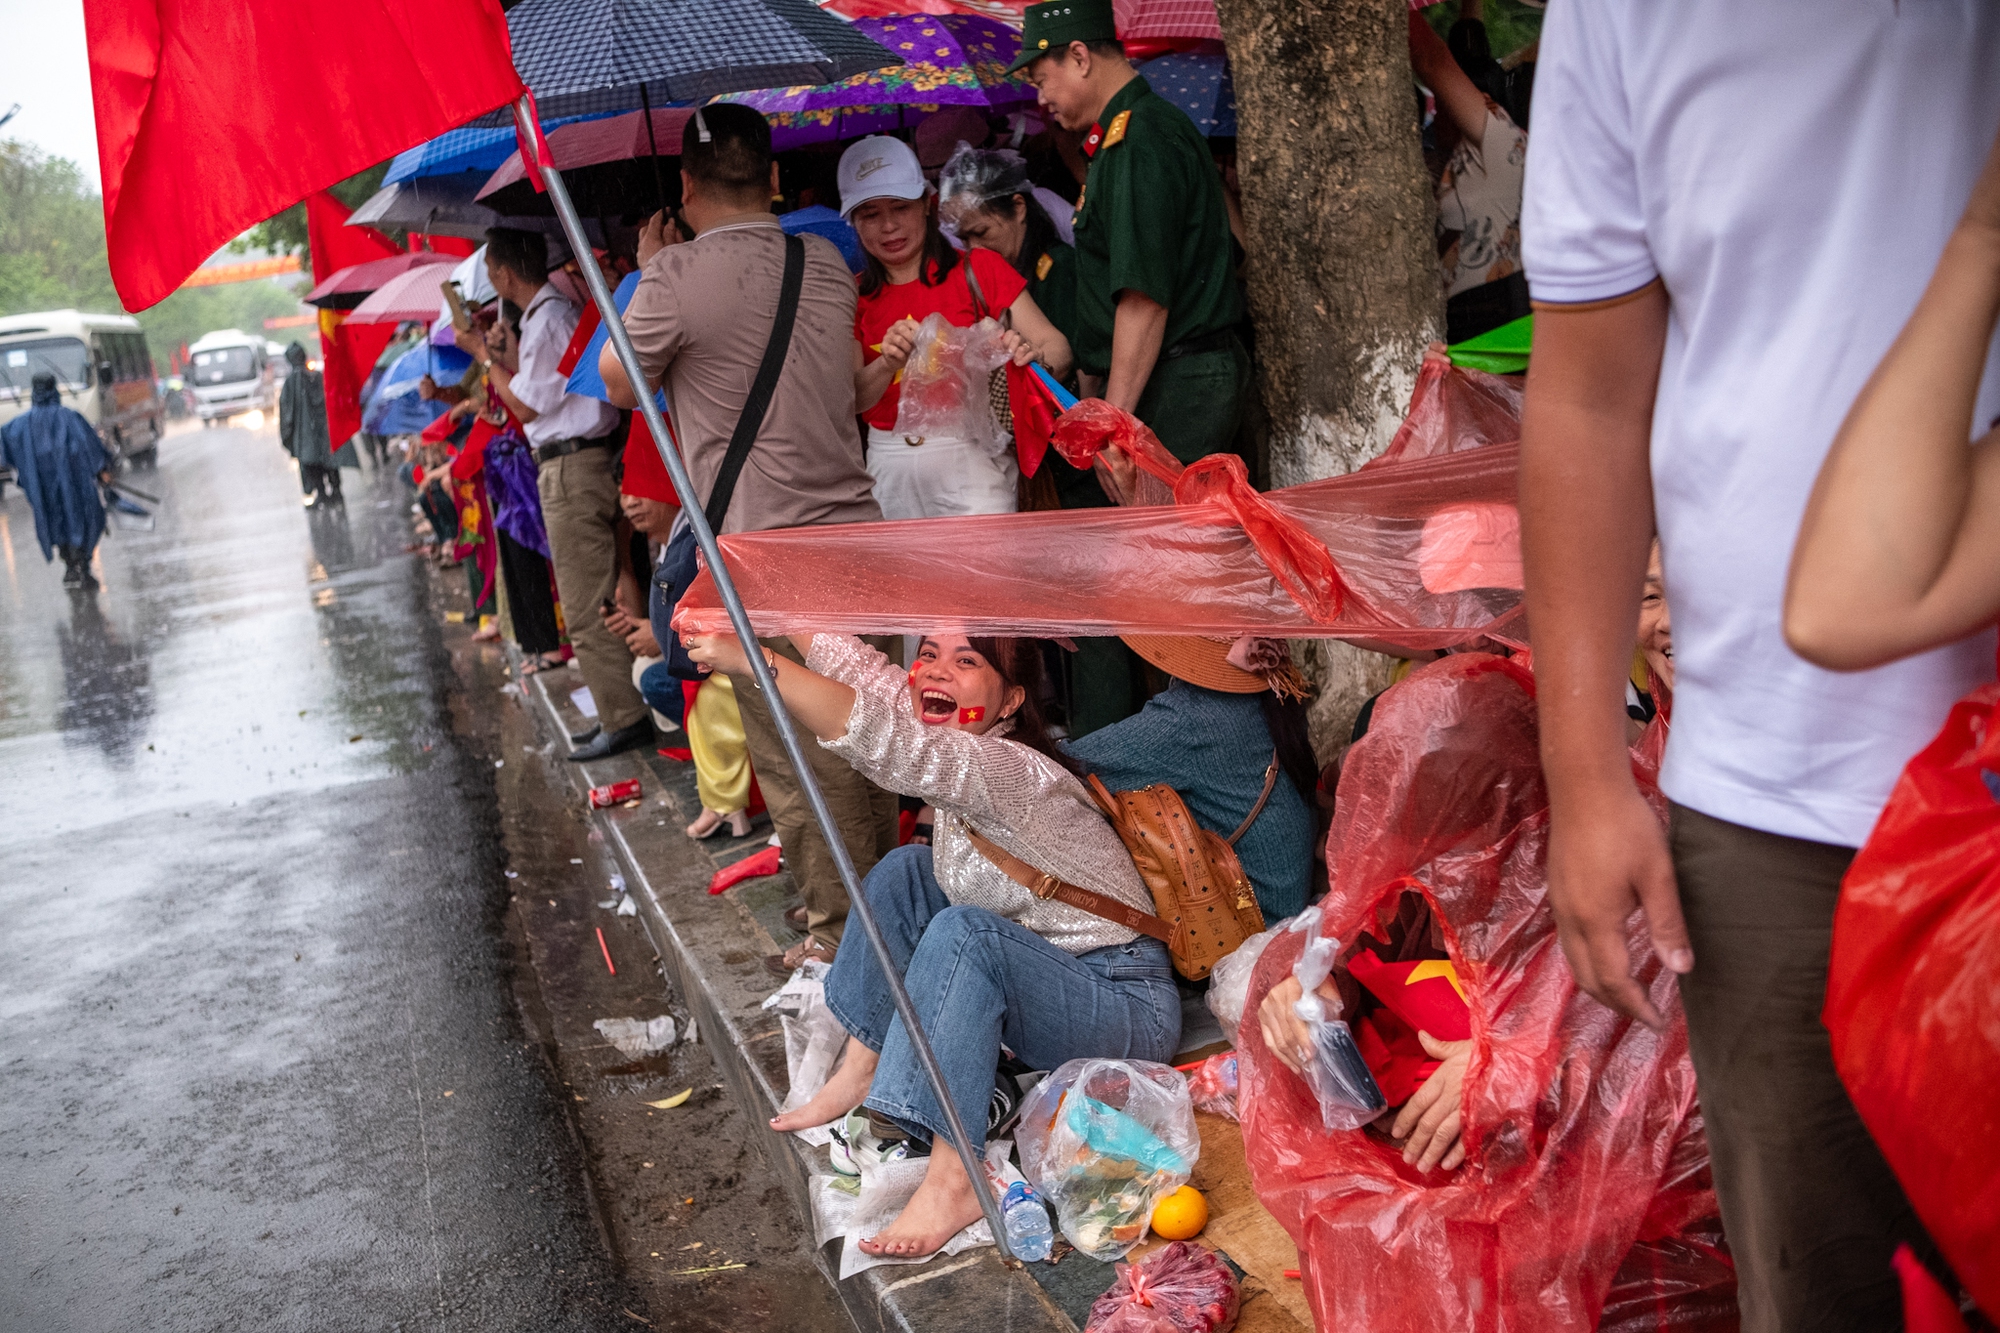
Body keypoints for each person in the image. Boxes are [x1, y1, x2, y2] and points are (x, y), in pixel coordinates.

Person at [1517, 7, 2000, 1329]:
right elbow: (1587, 394)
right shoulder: (1621, 17)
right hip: (1780, 802)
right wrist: (1584, 773)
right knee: (1822, 1283)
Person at [683, 627, 1178, 1259]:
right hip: (1053, 970)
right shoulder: (956, 732)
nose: (935, 673)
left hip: (1124, 1003)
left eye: (966, 662)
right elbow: (867, 677)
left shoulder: (1006, 766)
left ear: (1010, 702)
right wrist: (780, 612)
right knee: (906, 871)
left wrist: (756, 661)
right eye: (926, 655)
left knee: (964, 932)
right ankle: (862, 1066)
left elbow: (886, 742)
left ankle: (956, 1178)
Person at [602, 103, 900, 974]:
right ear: (772, 179)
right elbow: (847, 393)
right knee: (873, 742)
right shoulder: (828, 264)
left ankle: (848, 944)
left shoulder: (674, 275)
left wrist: (654, 270)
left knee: (807, 764)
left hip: (770, 561)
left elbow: (620, 383)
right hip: (864, 542)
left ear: (685, 188)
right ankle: (888, 918)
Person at [1012, 0, 1246, 470]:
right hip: (1168, 375)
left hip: (1180, 380)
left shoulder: (1139, 139)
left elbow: (1144, 296)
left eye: (1041, 81)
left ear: (1079, 57)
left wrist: (1113, 425)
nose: (1041, 100)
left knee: (1170, 538)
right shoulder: (1122, 137)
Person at [842, 134, 1073, 520]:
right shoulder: (850, 295)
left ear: (927, 205)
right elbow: (852, 399)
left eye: (900, 207)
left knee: (988, 580)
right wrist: (886, 364)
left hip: (976, 460)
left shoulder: (979, 268)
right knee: (901, 582)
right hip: (888, 469)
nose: (888, 226)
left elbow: (1058, 348)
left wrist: (1026, 358)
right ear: (854, 221)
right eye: (870, 214)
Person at [484, 226, 650, 762]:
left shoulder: (550, 316)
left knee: (585, 601)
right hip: (576, 461)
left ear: (504, 273)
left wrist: (485, 360)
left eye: (491, 269)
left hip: (572, 464)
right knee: (595, 589)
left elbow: (528, 407)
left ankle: (623, 717)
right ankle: (619, 709)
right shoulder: (542, 316)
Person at [1065, 635, 1318, 922]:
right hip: (1289, 902)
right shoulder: (1276, 691)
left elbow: (1068, 765)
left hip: (1252, 922)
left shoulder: (1192, 717)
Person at [1408, 11, 1529, 344]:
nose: (1443, 105)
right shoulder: (1437, 163)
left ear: (1487, 101)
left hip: (1500, 328)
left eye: (1451, 96)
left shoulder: (1504, 141)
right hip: (1453, 334)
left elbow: (1432, 60)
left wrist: (1398, 12)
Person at [937, 144, 1079, 353]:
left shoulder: (1061, 269)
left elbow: (1084, 367)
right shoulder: (980, 279)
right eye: (964, 239)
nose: (974, 249)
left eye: (981, 232)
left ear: (1019, 207)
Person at [0, 372, 112, 589]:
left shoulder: (21, 425)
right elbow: (90, 447)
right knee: (86, 519)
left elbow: (4, 444)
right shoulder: (70, 418)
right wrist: (102, 470)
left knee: (56, 522)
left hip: (43, 488)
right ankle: (82, 562)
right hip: (76, 484)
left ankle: (70, 564)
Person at [277, 342, 357, 507]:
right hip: (322, 428)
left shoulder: (292, 382)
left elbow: (287, 412)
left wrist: (290, 433)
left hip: (309, 432)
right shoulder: (317, 376)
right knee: (328, 459)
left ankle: (324, 492)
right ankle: (335, 491)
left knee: (314, 461)